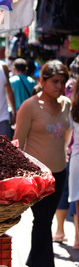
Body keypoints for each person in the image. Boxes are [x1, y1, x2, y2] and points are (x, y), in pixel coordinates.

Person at [13, 60, 71, 267]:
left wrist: (64, 151)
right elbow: (18, 140)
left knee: (45, 220)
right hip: (37, 175)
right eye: (55, 81)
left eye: (63, 82)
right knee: (42, 218)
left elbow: (67, 131)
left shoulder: (66, 104)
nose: (59, 86)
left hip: (60, 173)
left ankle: (33, 259)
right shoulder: (30, 106)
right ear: (43, 81)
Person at [54, 55, 79, 244]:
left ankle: (68, 234)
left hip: (73, 151)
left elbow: (68, 127)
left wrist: (63, 148)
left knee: (71, 196)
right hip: (73, 151)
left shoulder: (70, 97)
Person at [68, 73, 79, 251]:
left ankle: (78, 237)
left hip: (76, 156)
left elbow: (68, 134)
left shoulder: (73, 108)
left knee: (78, 200)